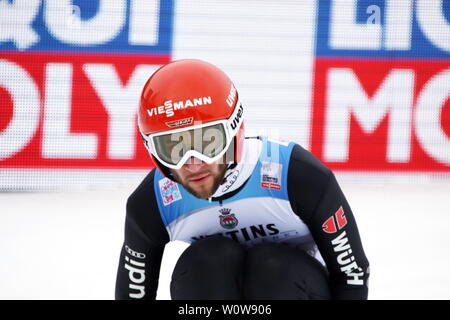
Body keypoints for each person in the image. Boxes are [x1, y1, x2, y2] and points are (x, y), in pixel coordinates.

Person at [115, 59, 369, 300]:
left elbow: (351, 273)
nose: (193, 163)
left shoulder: (297, 175)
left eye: (208, 142)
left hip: (290, 279)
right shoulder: (151, 202)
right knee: (206, 262)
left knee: (272, 266)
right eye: (174, 148)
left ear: (235, 131)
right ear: (153, 152)